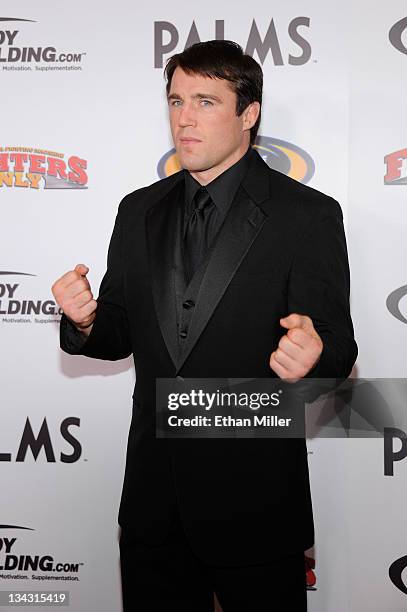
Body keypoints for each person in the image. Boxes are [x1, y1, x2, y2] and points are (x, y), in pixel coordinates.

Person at [52, 40, 357, 611]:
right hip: (153, 505)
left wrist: (314, 356)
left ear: (249, 114)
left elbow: (337, 345)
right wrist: (86, 320)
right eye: (175, 101)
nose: (184, 118)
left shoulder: (307, 215)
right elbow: (119, 331)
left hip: (256, 503)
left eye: (206, 101)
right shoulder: (136, 209)